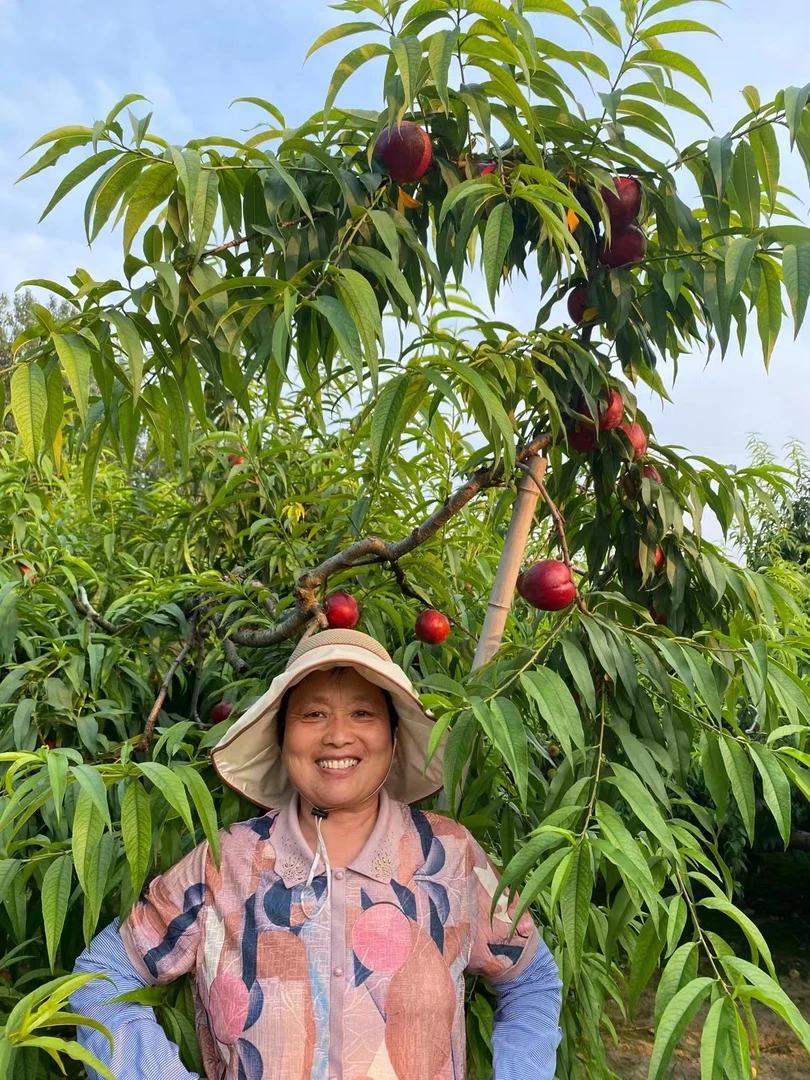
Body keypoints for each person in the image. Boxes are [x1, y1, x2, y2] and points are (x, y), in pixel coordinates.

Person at [71, 628, 562, 1079]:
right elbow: (103, 976)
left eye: (363, 713)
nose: (338, 735)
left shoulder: (448, 856)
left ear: (394, 737)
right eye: (313, 714)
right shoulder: (226, 863)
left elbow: (531, 979)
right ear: (283, 737)